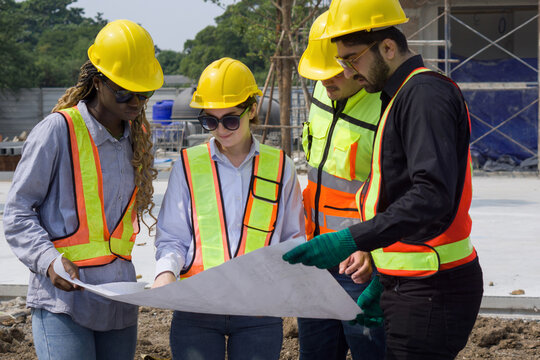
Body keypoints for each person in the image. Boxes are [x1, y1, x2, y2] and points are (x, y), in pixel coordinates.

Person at [283, 0, 484, 359]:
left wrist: (351, 239)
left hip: (432, 288)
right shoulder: (402, 96)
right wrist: (386, 275)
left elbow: (430, 196)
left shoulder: (424, 96)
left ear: (388, 47)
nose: (348, 70)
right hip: (411, 281)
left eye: (352, 58)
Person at [3, 19, 163, 360]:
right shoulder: (57, 131)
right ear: (97, 82)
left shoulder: (138, 139)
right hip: (64, 302)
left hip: (119, 305)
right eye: (125, 91)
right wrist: (48, 261)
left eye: (144, 92)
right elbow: (17, 212)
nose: (136, 101)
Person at [152, 57, 305, 360]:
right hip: (197, 308)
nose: (220, 130)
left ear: (253, 110)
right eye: (210, 120)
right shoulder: (187, 165)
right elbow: (172, 236)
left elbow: (293, 239)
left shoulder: (280, 167)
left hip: (258, 312)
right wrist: (165, 274)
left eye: (230, 120)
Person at [296, 11, 385, 360]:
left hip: (359, 265)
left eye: (333, 72)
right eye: (319, 74)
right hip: (316, 260)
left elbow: (401, 194)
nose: (325, 82)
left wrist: (374, 250)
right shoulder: (323, 88)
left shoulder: (385, 106)